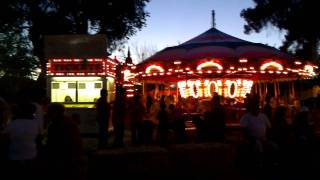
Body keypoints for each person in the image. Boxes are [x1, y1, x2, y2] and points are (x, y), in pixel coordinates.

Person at [5, 102, 40, 179]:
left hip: (15, 152)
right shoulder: (35, 123)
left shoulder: (13, 123)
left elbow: (7, 137)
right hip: (31, 152)